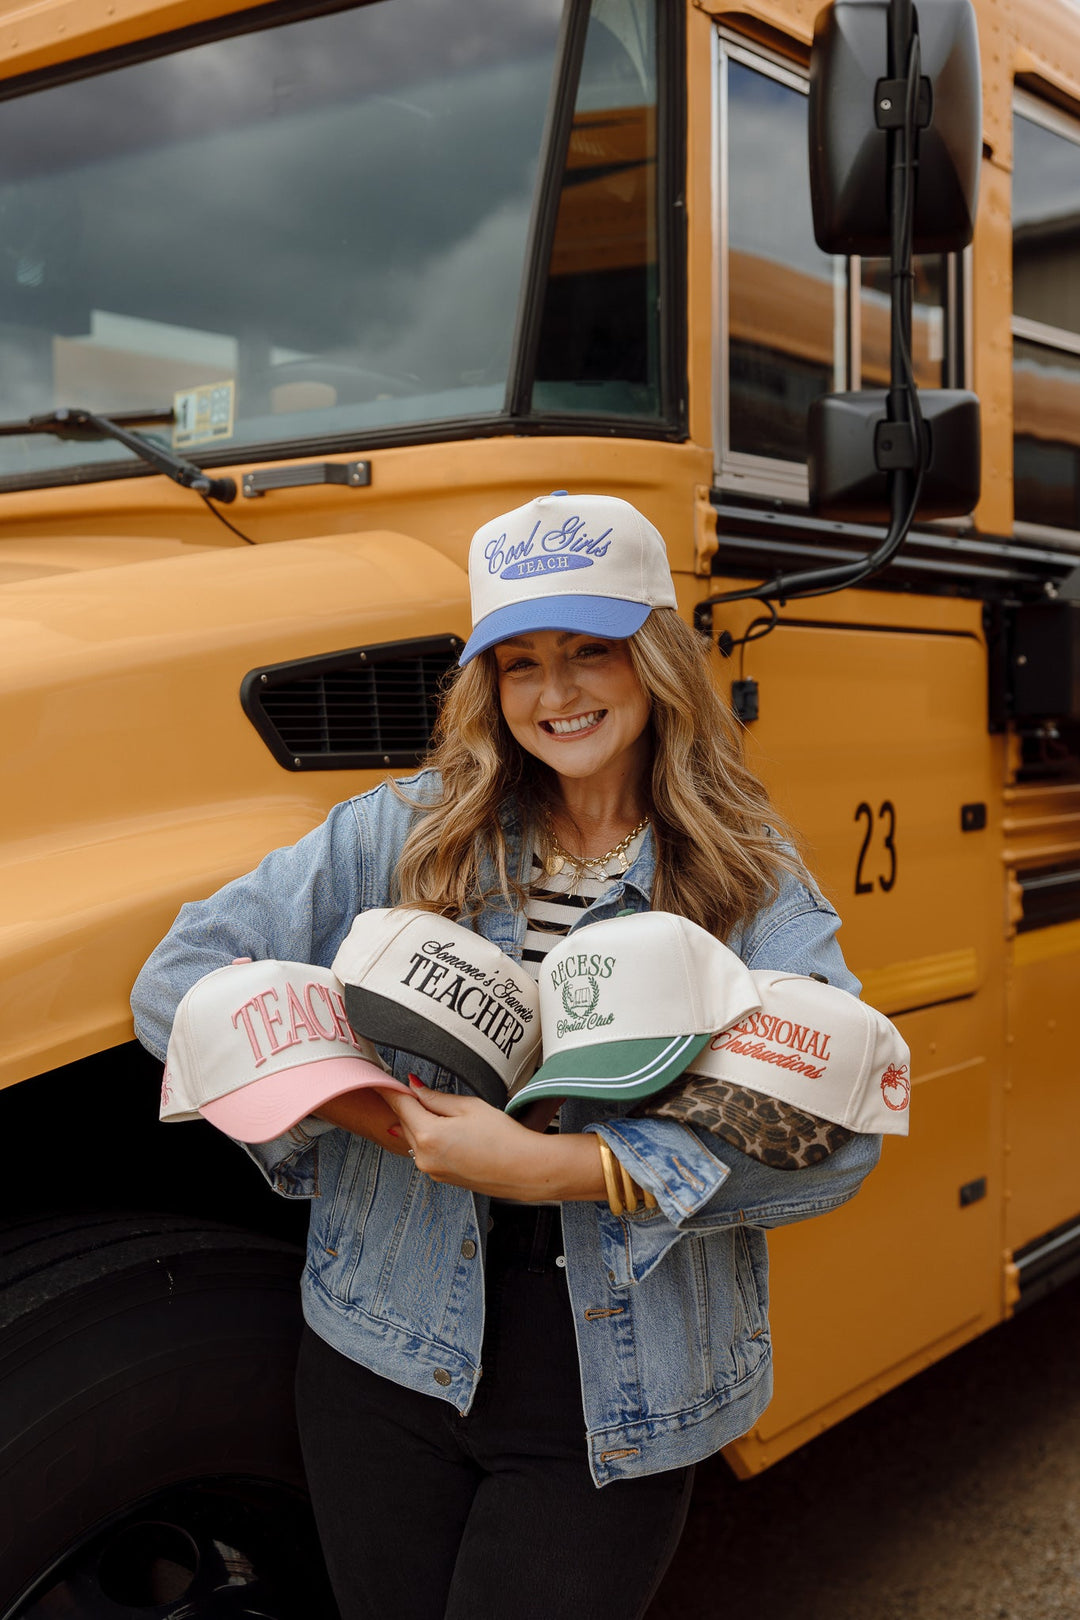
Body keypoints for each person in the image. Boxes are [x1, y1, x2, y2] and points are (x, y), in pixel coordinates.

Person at [131, 491, 881, 1620]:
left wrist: (563, 1171)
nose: (556, 694)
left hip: (611, 1391)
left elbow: (839, 1128)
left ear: (657, 662)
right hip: (378, 1349)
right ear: (489, 684)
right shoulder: (407, 830)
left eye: (591, 652)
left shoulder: (748, 877)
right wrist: (386, 1119)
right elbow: (178, 983)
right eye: (520, 663)